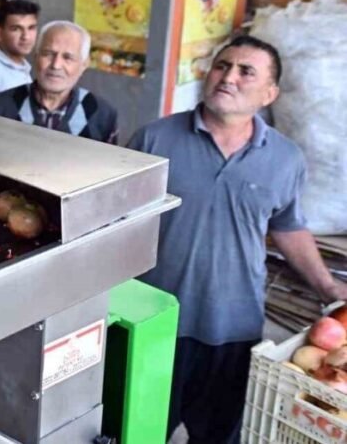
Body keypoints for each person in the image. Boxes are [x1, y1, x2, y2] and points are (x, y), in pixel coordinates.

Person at [128, 36, 347, 443]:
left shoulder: (285, 158)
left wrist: (328, 286)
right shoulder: (154, 140)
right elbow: (120, 225)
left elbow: (288, 227)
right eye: (221, 66)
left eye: (246, 71)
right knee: (138, 432)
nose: (228, 77)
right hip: (155, 321)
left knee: (217, 435)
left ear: (269, 93)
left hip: (234, 328)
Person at [0, 20, 118, 143]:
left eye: (68, 57)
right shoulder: (1, 105)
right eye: (48, 54)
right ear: (36, 56)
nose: (56, 65)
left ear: (83, 65)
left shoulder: (101, 113)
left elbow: (112, 166)